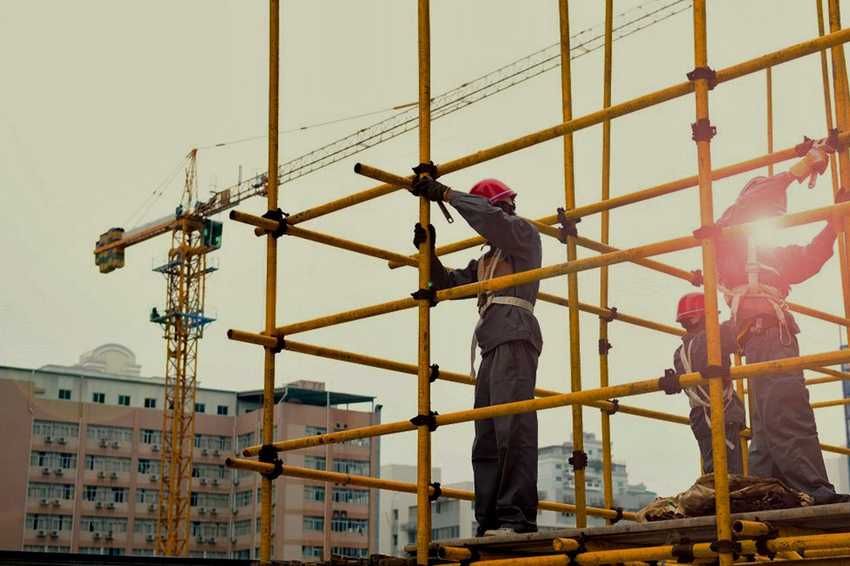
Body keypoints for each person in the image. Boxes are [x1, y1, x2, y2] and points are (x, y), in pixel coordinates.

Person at [714, 142, 849, 503]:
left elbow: (807, 260)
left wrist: (831, 224)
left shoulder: (764, 254)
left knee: (767, 421)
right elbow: (753, 201)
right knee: (787, 407)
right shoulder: (728, 235)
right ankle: (814, 489)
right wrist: (801, 168)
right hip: (765, 334)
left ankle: (766, 493)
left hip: (768, 334)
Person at [411, 175, 542, 535]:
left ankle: (516, 517)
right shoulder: (486, 261)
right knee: (486, 435)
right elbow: (447, 284)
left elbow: (493, 221)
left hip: (514, 337)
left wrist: (449, 196)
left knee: (511, 427)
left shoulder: (523, 237)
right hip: (491, 344)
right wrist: (429, 253)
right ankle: (490, 519)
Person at [672, 292, 746, 475]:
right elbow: (739, 326)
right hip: (722, 413)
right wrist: (740, 297)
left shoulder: (679, 353)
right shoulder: (712, 338)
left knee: (712, 471)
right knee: (730, 473)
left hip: (700, 418)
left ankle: (717, 501)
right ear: (699, 317)